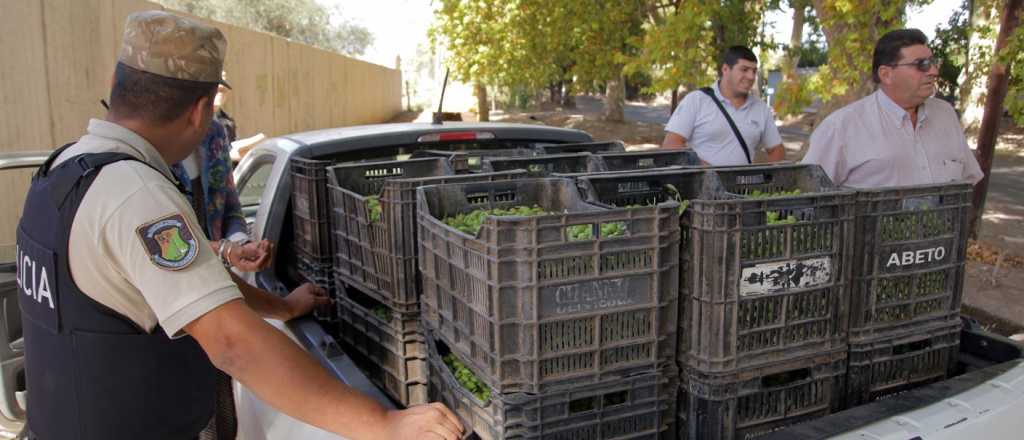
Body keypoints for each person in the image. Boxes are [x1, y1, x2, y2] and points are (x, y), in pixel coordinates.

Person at [15, 10, 463, 440]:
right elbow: (233, 344)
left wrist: (283, 308)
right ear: (201, 110)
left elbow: (196, 289)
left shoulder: (63, 170)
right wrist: (385, 426)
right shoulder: (137, 196)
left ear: (116, 83)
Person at [801, 29, 983, 187]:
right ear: (886, 75)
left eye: (932, 62)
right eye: (921, 65)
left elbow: (968, 180)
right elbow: (808, 197)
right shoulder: (842, 127)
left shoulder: (945, 114)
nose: (933, 71)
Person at [662, 45, 786, 166]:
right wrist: (707, 173)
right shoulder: (696, 100)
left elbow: (776, 150)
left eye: (754, 71)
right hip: (700, 185)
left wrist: (767, 179)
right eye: (744, 70)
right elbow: (671, 145)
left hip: (742, 186)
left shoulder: (761, 108)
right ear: (725, 69)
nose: (751, 76)